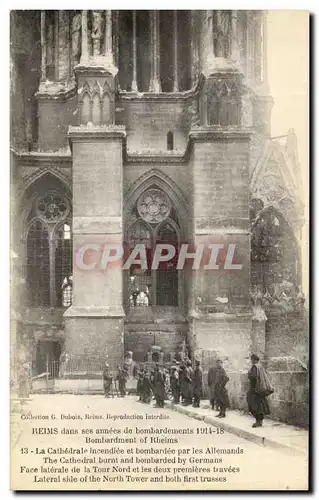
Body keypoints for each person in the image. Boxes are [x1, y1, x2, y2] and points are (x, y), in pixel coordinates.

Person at [247, 354, 272, 427]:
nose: (251, 361)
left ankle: (258, 421)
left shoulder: (255, 367)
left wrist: (249, 374)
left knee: (254, 405)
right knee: (260, 404)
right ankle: (260, 421)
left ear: (254, 360)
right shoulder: (261, 366)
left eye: (251, 359)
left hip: (255, 389)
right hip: (260, 389)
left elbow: (254, 377)